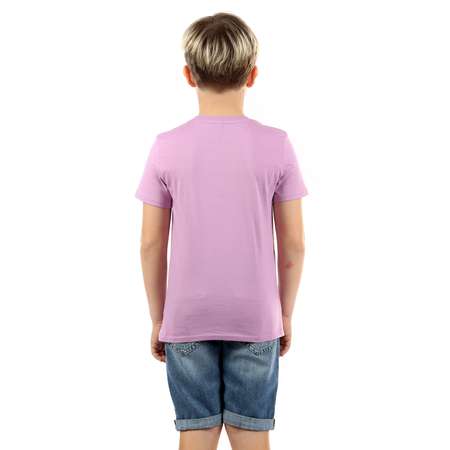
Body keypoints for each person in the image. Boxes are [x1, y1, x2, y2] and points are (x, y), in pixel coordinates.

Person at [135, 12, 308, 450]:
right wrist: (285, 313)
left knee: (196, 433)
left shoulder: (166, 147)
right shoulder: (277, 145)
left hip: (187, 319)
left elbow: (151, 244)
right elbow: (293, 244)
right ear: (252, 75)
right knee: (252, 434)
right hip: (256, 318)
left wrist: (159, 318)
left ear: (188, 75)